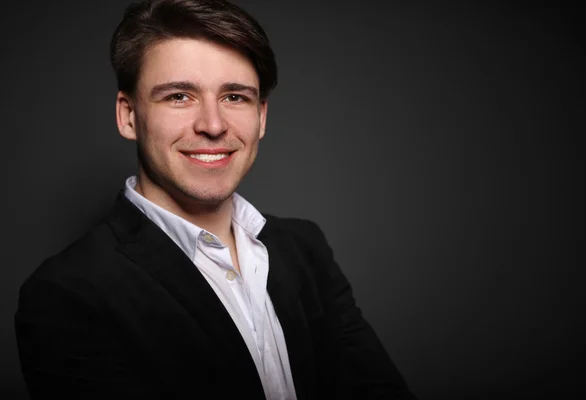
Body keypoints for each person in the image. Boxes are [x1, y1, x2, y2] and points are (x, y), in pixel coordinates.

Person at [14, 0, 416, 398]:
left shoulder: (306, 249)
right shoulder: (67, 293)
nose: (212, 125)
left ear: (261, 117)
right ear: (129, 115)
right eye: (178, 96)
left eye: (235, 97)